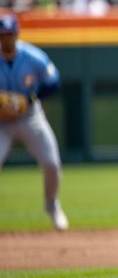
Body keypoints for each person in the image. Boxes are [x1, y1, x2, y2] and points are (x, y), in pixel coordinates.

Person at [0, 14, 67, 230]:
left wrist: (29, 99)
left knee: (52, 163)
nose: (7, 39)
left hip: (30, 116)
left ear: (17, 35)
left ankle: (52, 205)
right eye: (3, 35)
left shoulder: (32, 56)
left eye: (10, 34)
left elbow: (53, 81)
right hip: (1, 122)